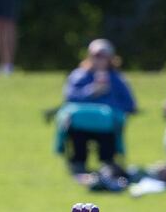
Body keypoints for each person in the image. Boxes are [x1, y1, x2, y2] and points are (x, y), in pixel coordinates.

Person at [57, 39, 137, 175]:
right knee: (77, 131)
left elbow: (129, 104)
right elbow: (69, 97)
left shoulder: (117, 79)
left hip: (107, 125)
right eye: (95, 56)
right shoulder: (79, 76)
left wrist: (109, 104)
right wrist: (91, 91)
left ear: (110, 58)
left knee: (109, 130)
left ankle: (108, 164)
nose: (99, 60)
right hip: (80, 123)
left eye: (103, 56)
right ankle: (78, 163)